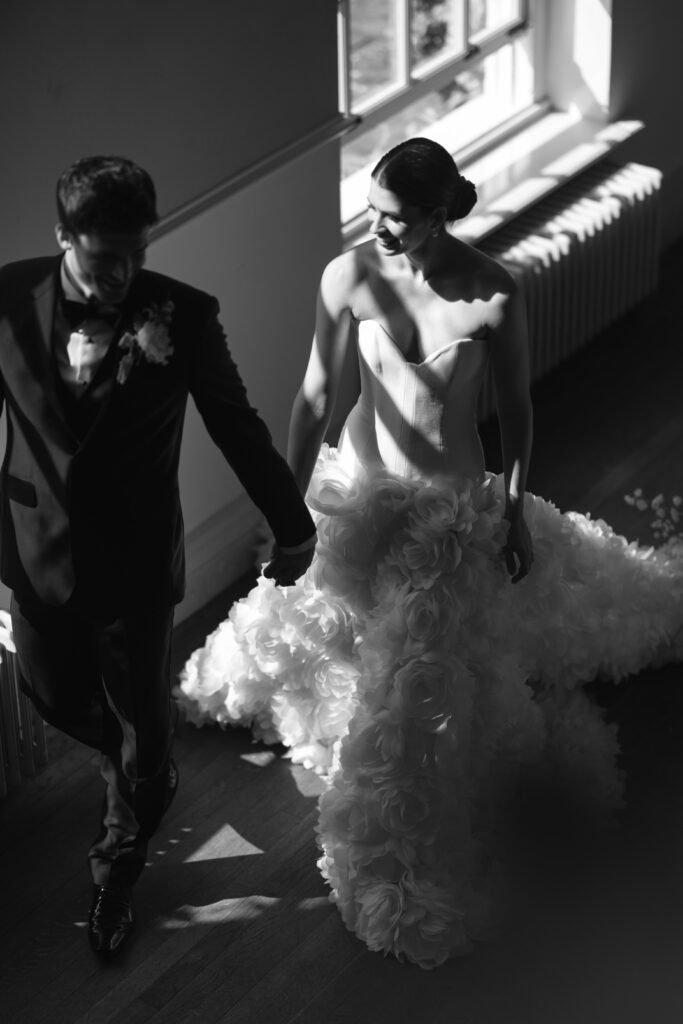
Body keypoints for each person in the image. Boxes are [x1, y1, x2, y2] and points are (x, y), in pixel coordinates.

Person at [178, 138, 683, 968]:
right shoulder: (348, 276)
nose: (377, 229)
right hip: (357, 496)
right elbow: (313, 396)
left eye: (397, 219)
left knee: (414, 693)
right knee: (329, 633)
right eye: (372, 210)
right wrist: (287, 508)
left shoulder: (493, 293)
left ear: (442, 213)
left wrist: (513, 509)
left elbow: (514, 412)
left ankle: (400, 853)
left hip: (445, 518)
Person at [0, 155, 316, 958]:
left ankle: (117, 868)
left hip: (136, 565)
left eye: (138, 253)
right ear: (63, 236)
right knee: (49, 694)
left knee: (139, 732)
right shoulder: (5, 299)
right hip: (33, 554)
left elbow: (237, 425)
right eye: (106, 259)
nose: (124, 276)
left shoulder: (184, 315)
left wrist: (294, 525)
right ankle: (145, 769)